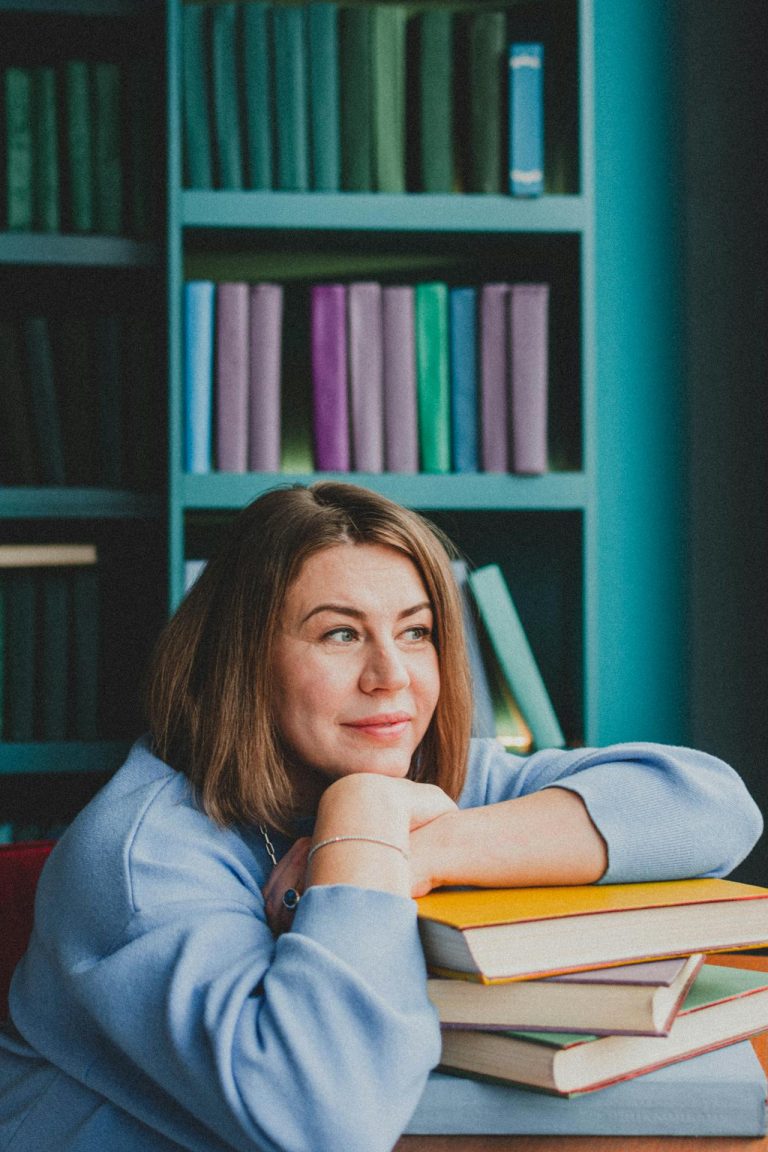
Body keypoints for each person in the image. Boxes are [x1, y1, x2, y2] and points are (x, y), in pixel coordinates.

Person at [0, 481, 762, 1152]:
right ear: (239, 659)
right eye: (340, 633)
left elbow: (712, 806)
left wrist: (419, 845)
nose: (390, 676)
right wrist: (361, 821)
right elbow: (328, 1119)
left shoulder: (416, 779)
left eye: (416, 632)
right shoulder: (139, 857)